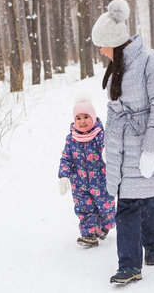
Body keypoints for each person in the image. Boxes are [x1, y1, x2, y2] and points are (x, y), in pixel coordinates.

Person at [91, 0, 154, 284]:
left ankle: (153, 247)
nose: (100, 52)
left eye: (102, 46)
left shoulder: (151, 62)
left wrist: (151, 150)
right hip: (123, 146)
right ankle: (130, 265)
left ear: (114, 43)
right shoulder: (115, 66)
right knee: (127, 203)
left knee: (151, 198)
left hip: (146, 143)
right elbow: (113, 108)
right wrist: (110, 147)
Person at [58, 92, 116, 247]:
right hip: (80, 184)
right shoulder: (71, 139)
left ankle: (105, 224)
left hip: (101, 182)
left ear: (93, 117)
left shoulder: (101, 135)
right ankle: (89, 234)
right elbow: (66, 159)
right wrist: (64, 176)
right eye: (78, 118)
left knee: (106, 209)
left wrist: (107, 155)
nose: (82, 121)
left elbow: (109, 150)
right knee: (84, 209)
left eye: (86, 117)